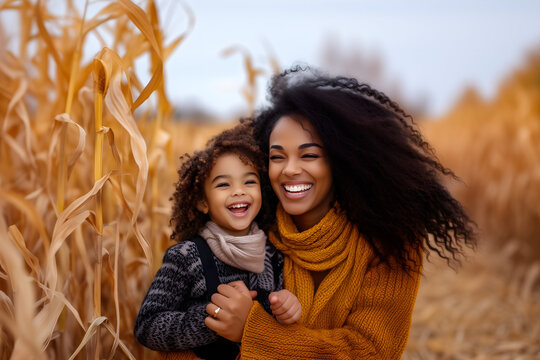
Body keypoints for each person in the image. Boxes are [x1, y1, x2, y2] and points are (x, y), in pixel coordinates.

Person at [203, 66, 477, 359]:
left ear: (341, 161)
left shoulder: (391, 241)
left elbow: (370, 351)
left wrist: (253, 332)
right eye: (277, 157)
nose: (290, 169)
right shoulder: (245, 232)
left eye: (309, 155)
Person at [134, 122, 302, 360]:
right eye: (223, 184)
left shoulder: (271, 255)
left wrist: (286, 306)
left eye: (249, 181)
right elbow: (147, 325)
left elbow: (273, 329)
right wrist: (212, 318)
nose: (238, 191)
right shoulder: (186, 257)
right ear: (202, 202)